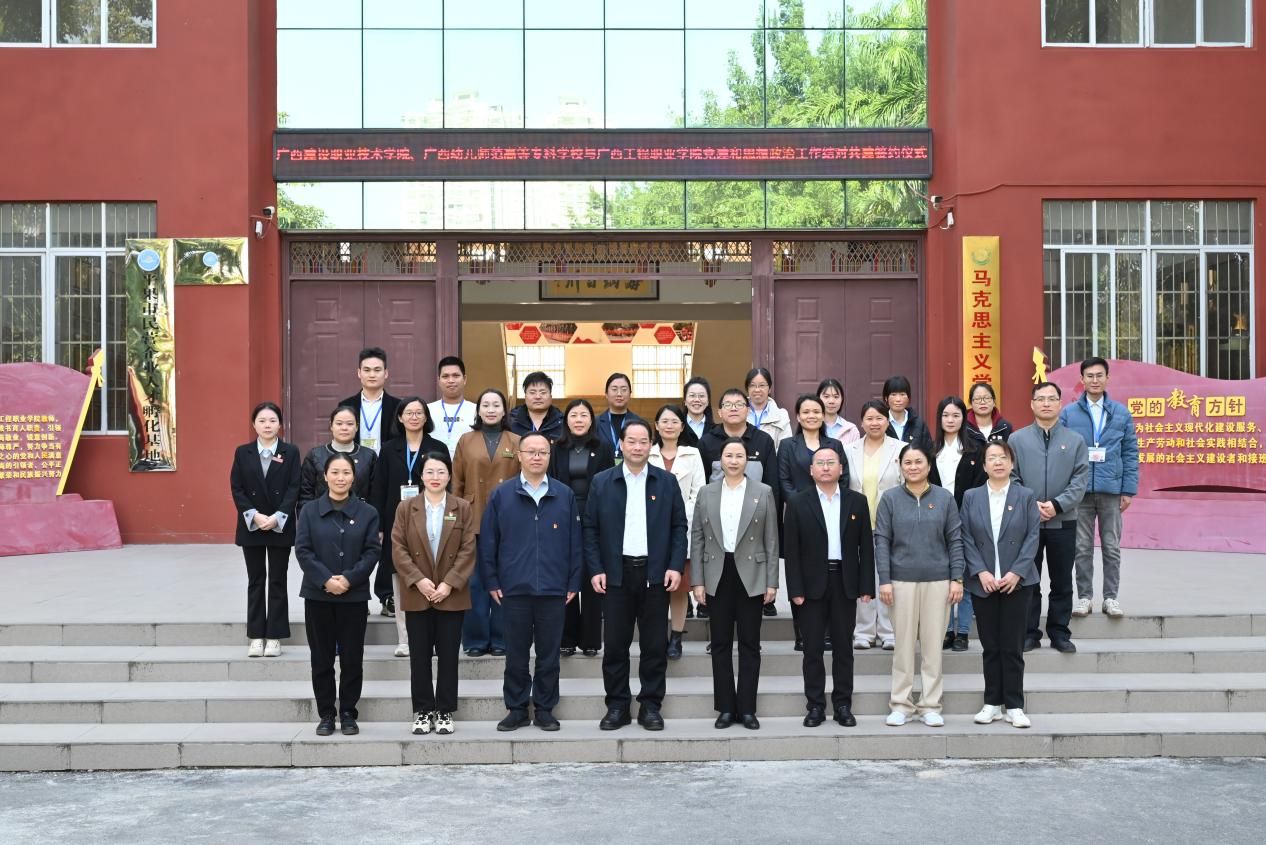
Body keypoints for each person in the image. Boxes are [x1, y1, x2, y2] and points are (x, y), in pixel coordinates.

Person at [586, 420, 688, 732]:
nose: (637, 447)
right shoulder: (602, 482)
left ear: (650, 445)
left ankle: (650, 705)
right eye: (631, 441)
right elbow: (590, 529)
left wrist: (675, 565)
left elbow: (679, 527)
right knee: (615, 645)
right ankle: (617, 705)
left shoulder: (666, 482)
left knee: (654, 645)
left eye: (643, 441)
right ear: (621, 444)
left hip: (655, 574)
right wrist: (596, 568)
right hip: (615, 575)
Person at [480, 432, 582, 732]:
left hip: (554, 589)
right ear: (519, 456)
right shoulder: (502, 495)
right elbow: (488, 542)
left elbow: (575, 543)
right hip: (513, 589)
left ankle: (545, 709)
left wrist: (574, 582)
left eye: (543, 452)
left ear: (549, 457)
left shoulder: (564, 495)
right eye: (531, 452)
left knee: (549, 656)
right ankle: (516, 709)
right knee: (516, 655)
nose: (537, 457)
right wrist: (492, 580)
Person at [691, 438, 779, 730]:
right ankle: (726, 708)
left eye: (739, 456)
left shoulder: (763, 492)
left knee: (750, 644)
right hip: (717, 572)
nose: (733, 461)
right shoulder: (706, 492)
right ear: (720, 460)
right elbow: (697, 538)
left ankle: (748, 708)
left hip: (751, 574)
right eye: (728, 455)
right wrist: (697, 581)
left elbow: (771, 540)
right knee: (720, 643)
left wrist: (772, 582)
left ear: (747, 460)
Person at [784, 446, 874, 728]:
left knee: (844, 648)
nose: (825, 467)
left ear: (841, 468)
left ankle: (843, 705)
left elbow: (865, 548)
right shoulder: (797, 502)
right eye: (820, 463)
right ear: (811, 470)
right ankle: (815, 706)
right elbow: (791, 550)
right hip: (811, 585)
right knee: (812, 649)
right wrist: (795, 589)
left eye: (830, 462)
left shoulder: (857, 502)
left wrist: (866, 585)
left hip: (844, 582)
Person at [876, 443, 964, 728]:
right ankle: (901, 704)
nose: (913, 467)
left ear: (929, 465)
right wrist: (885, 580)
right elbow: (882, 541)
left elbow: (955, 540)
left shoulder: (944, 498)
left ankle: (930, 705)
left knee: (932, 648)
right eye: (908, 462)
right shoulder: (889, 499)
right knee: (902, 647)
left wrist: (957, 578)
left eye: (918, 462)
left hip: (938, 581)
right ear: (900, 466)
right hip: (900, 582)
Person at [294, 452, 380, 736]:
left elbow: (372, 551)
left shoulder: (368, 513)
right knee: (322, 659)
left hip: (353, 597)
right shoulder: (309, 511)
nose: (340, 478)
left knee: (352, 658)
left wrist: (349, 579)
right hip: (318, 596)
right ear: (325, 476)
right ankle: (327, 714)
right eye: (335, 472)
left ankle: (348, 712)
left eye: (346, 473)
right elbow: (303, 550)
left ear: (353, 477)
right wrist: (325, 580)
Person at [391, 451, 477, 736]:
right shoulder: (406, 508)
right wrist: (419, 581)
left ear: (449, 475)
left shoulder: (461, 507)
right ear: (421, 475)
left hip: (450, 594)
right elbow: (398, 548)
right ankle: (423, 710)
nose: (435, 477)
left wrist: (448, 583)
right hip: (418, 593)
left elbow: (468, 549)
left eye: (441, 471)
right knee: (419, 657)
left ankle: (445, 711)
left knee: (449, 656)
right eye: (430, 471)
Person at [961, 440, 1041, 729]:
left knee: (1012, 647)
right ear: (984, 466)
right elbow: (965, 536)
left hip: (1017, 584)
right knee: (991, 646)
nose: (997, 462)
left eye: (1003, 457)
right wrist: (980, 572)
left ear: (1011, 463)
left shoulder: (1025, 495)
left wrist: (1017, 572)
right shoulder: (971, 496)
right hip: (984, 584)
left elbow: (1033, 536)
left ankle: (1015, 705)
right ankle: (992, 703)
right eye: (991, 458)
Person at [1010, 382, 1089, 654]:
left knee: (1061, 581)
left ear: (1060, 404)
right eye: (1040, 399)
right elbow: (1011, 477)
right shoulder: (1017, 440)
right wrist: (1030, 504)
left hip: (1063, 521)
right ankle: (1028, 633)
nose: (1046, 403)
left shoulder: (1075, 441)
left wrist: (1057, 505)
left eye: (1051, 399)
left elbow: (1080, 481)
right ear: (1032, 404)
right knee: (1028, 580)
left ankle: (1059, 633)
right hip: (1027, 522)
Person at [1059, 357, 1139, 619]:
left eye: (1099, 375)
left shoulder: (1121, 413)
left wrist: (1128, 490)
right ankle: (1084, 597)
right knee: (1081, 547)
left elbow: (1130, 453)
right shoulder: (1069, 413)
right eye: (1090, 376)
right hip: (1079, 492)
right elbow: (1062, 452)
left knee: (1111, 546)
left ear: (1107, 378)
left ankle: (1110, 598)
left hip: (1111, 490)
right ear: (1082, 380)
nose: (1094, 380)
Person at [368, 397, 447, 655]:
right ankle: (404, 640)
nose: (414, 417)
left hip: (432, 519)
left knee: (431, 577)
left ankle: (431, 640)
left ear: (426, 417)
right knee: (401, 581)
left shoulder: (438, 447)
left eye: (419, 412)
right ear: (400, 418)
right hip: (397, 522)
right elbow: (379, 488)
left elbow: (447, 483)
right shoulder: (389, 449)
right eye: (408, 413)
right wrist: (379, 525)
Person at [229, 401, 301, 658]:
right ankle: (256, 635)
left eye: (272, 420)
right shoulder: (243, 452)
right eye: (262, 420)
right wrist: (254, 515)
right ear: (254, 424)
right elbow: (237, 487)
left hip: (280, 525)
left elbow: (294, 486)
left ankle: (275, 636)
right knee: (256, 580)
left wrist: (279, 516)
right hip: (252, 525)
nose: (267, 425)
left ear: (280, 424)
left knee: (278, 580)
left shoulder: (290, 452)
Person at [452, 388, 520, 657]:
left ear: (504, 410)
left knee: (505, 580)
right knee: (475, 581)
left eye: (496, 405)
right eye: (486, 405)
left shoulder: (517, 441)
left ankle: (502, 638)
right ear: (478, 410)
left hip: (509, 518)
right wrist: (455, 517)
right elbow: (456, 481)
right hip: (473, 514)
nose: (491, 410)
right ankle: (475, 639)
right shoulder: (466, 440)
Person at [548, 399, 616, 657]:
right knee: (564, 575)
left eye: (584, 415)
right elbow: (551, 481)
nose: (578, 420)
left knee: (592, 575)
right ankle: (566, 638)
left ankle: (590, 640)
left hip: (595, 515)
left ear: (591, 420)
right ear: (566, 420)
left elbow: (610, 484)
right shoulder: (556, 448)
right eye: (574, 415)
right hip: (562, 515)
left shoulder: (604, 447)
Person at [778, 394, 846, 651]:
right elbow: (783, 480)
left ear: (823, 414)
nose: (811, 416)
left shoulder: (834, 444)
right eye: (806, 412)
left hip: (831, 514)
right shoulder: (787, 445)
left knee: (828, 574)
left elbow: (843, 477)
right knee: (799, 572)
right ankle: (802, 634)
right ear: (798, 416)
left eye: (816, 411)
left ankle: (828, 632)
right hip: (799, 518)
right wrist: (803, 506)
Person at [842, 400, 904, 651]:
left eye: (879, 418)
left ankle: (889, 631)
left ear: (887, 421)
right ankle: (864, 631)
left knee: (888, 576)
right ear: (861, 422)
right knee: (862, 576)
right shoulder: (849, 450)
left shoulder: (901, 448)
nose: (874, 423)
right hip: (857, 524)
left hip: (890, 524)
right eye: (869, 418)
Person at [929, 396, 987, 652]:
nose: (950, 420)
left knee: (964, 575)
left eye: (956, 415)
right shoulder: (931, 450)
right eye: (945, 415)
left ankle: (962, 630)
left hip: (967, 519)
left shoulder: (975, 449)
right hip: (937, 520)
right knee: (942, 576)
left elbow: (980, 487)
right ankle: (946, 630)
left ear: (964, 418)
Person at [648, 404, 706, 660]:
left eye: (674, 421)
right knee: (655, 587)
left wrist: (679, 517)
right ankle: (658, 635)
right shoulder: (647, 453)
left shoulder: (692, 454)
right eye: (664, 421)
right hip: (650, 530)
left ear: (682, 426)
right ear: (657, 426)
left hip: (683, 527)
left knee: (679, 587)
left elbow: (698, 492)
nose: (669, 425)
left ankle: (677, 636)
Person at [298, 405, 376, 510]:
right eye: (339, 423)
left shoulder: (369, 456)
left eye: (350, 424)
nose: (344, 428)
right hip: (321, 515)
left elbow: (376, 494)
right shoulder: (315, 455)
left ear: (357, 427)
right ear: (331, 426)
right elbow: (305, 494)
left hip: (359, 515)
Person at [340, 347, 400, 454]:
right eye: (367, 370)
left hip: (387, 461)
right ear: (359, 373)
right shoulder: (346, 405)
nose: (372, 375)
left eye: (377, 370)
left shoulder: (397, 406)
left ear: (386, 373)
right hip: (354, 461)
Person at [427, 356, 476, 459]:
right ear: (439, 380)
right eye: (445, 376)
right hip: (434, 467)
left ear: (464, 379)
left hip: (467, 467)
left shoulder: (477, 411)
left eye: (456, 375)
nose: (451, 380)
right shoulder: (427, 410)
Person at [595, 372, 644, 463]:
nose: (619, 394)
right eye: (614, 389)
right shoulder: (595, 423)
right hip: (603, 471)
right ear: (606, 394)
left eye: (624, 389)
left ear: (630, 394)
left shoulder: (639, 422)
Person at [745, 367, 792, 451]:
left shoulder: (781, 415)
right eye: (752, 385)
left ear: (769, 388)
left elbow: (786, 449)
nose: (757, 390)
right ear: (747, 389)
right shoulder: (737, 412)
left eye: (762, 385)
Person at [509, 371, 564, 442]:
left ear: (551, 396)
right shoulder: (511, 421)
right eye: (532, 392)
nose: (538, 397)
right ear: (525, 396)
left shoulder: (562, 422)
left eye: (543, 392)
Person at [882, 375, 933, 449]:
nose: (898, 399)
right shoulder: (880, 422)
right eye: (893, 395)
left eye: (902, 394)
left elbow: (928, 451)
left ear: (908, 397)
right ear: (886, 398)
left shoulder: (919, 424)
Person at [965, 382, 1014, 447]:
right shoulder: (963, 427)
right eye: (977, 399)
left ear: (994, 402)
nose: (982, 402)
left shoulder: (1005, 427)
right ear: (971, 403)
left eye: (987, 398)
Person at [817, 378, 861, 445]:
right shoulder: (811, 426)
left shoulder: (851, 430)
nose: (831, 401)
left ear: (842, 399)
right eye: (826, 396)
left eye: (836, 397)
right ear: (818, 398)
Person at [682, 376, 715, 442]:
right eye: (692, 395)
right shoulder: (677, 429)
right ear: (685, 401)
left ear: (708, 402)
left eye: (701, 396)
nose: (697, 399)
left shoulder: (715, 431)